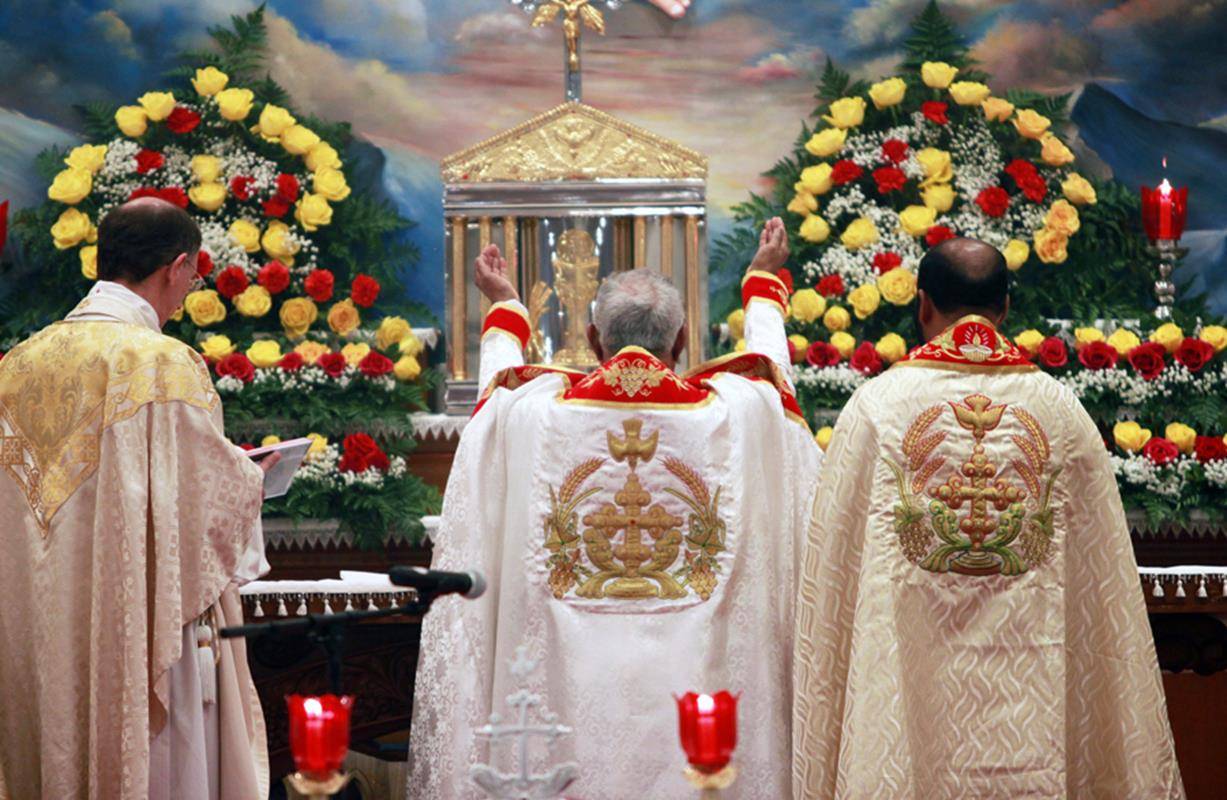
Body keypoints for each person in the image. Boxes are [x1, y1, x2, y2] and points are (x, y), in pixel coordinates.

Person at [409, 218, 821, 798]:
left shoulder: (533, 412)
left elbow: (492, 401)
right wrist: (762, 287)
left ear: (593, 337)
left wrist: (505, 311)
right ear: (680, 342)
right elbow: (778, 388)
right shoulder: (738, 412)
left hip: (568, 689)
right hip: (697, 687)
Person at [792, 237, 1184, 799]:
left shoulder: (876, 409)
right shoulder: (1061, 412)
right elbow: (1105, 598)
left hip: (905, 708)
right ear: (1004, 308)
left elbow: (830, 583)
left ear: (922, 305)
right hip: (1034, 712)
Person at [0, 198, 276, 800]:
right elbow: (203, 508)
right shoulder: (162, 364)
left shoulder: (15, 366)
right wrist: (253, 477)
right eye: (193, 277)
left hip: (37, 631)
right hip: (138, 625)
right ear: (177, 267)